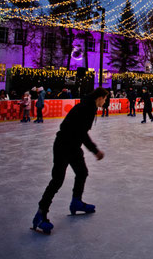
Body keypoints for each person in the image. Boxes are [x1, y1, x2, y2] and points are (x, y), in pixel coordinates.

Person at [32, 87, 108, 234]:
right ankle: (40, 214)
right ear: (99, 98)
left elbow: (80, 133)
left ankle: (76, 202)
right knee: (57, 180)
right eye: (105, 99)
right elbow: (82, 133)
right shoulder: (87, 108)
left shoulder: (88, 107)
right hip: (63, 145)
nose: (105, 102)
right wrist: (95, 150)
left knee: (82, 172)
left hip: (73, 146)